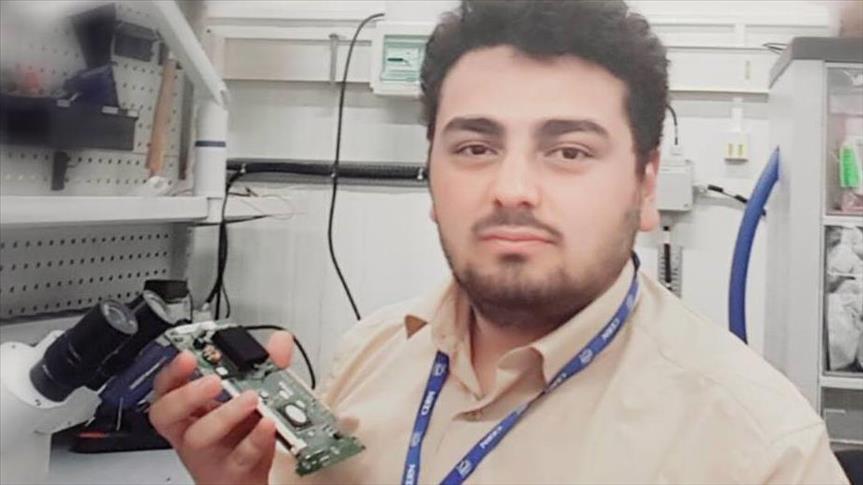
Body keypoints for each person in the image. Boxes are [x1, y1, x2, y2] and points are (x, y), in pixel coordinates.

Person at [150, 1, 851, 484]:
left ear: (645, 186)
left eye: (569, 151)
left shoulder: (760, 448)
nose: (512, 189)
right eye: (475, 147)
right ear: (433, 176)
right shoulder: (367, 354)